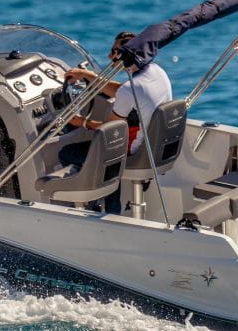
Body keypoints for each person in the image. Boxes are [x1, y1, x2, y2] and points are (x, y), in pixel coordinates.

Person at [58, 31, 172, 214]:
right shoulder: (156, 72)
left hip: (133, 151)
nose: (110, 56)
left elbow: (112, 132)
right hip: (154, 146)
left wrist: (82, 122)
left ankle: (102, 209)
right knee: (104, 148)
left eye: (114, 51)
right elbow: (122, 92)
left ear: (127, 53)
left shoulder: (130, 90)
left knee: (71, 152)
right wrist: (87, 75)